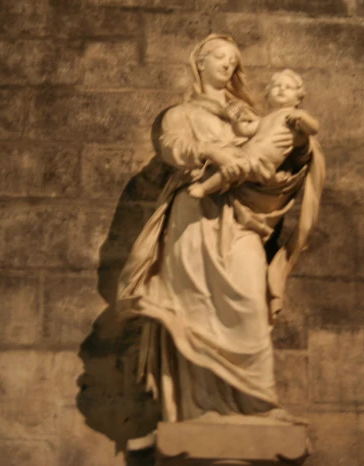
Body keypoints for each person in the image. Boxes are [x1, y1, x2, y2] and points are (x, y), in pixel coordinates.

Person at [115, 35, 325, 437]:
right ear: (200, 62)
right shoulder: (180, 113)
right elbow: (171, 146)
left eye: (234, 60)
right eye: (221, 58)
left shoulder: (246, 114)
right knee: (194, 309)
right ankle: (199, 410)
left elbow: (279, 152)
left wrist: (298, 150)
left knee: (248, 300)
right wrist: (213, 152)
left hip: (242, 216)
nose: (229, 65)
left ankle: (258, 404)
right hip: (194, 217)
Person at [188, 69, 320, 198]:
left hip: (260, 163)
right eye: (277, 86)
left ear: (298, 100)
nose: (282, 89)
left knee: (234, 169)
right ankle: (203, 168)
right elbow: (244, 131)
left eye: (288, 87)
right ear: (268, 95)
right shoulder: (266, 119)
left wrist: (301, 116)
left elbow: (314, 128)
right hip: (244, 153)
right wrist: (235, 120)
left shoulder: (293, 117)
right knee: (218, 152)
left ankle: (204, 189)